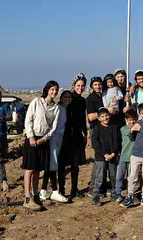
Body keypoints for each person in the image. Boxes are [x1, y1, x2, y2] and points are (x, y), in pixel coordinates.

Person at [22, 81, 62, 211]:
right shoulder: (37, 101)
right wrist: (31, 136)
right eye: (52, 89)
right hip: (32, 138)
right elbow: (28, 120)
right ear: (47, 90)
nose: (54, 92)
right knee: (29, 169)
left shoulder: (56, 108)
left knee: (38, 170)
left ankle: (36, 195)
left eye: (56, 90)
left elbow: (53, 127)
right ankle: (27, 198)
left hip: (43, 141)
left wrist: (44, 139)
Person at [121, 103, 143, 208]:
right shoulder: (137, 123)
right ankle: (129, 196)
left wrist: (140, 129)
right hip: (136, 155)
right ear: (139, 114)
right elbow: (132, 138)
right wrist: (132, 131)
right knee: (132, 176)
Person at [59, 73, 89, 199]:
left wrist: (85, 134)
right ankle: (61, 190)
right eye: (78, 85)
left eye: (82, 86)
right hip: (65, 135)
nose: (80, 88)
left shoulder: (82, 101)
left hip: (77, 135)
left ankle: (74, 189)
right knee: (62, 164)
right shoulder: (68, 97)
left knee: (75, 164)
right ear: (74, 85)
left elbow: (82, 119)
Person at [39, 89, 72, 203]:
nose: (67, 99)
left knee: (52, 165)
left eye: (69, 97)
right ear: (61, 98)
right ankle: (53, 191)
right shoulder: (58, 108)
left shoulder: (65, 109)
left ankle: (44, 190)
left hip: (59, 138)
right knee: (52, 164)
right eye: (65, 97)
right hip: (53, 137)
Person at [90, 108, 122, 206]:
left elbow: (117, 141)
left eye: (106, 115)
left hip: (112, 156)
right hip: (101, 157)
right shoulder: (97, 128)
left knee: (113, 176)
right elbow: (95, 143)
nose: (105, 118)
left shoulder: (114, 127)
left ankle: (114, 195)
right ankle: (95, 197)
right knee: (100, 177)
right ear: (99, 118)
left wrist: (113, 153)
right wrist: (104, 154)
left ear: (110, 115)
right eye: (102, 117)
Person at [114, 109, 137, 200]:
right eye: (129, 120)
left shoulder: (138, 129)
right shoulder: (123, 129)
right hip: (123, 156)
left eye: (133, 119)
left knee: (131, 177)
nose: (132, 122)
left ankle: (130, 194)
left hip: (133, 158)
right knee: (119, 176)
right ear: (126, 120)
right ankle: (118, 193)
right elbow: (130, 135)